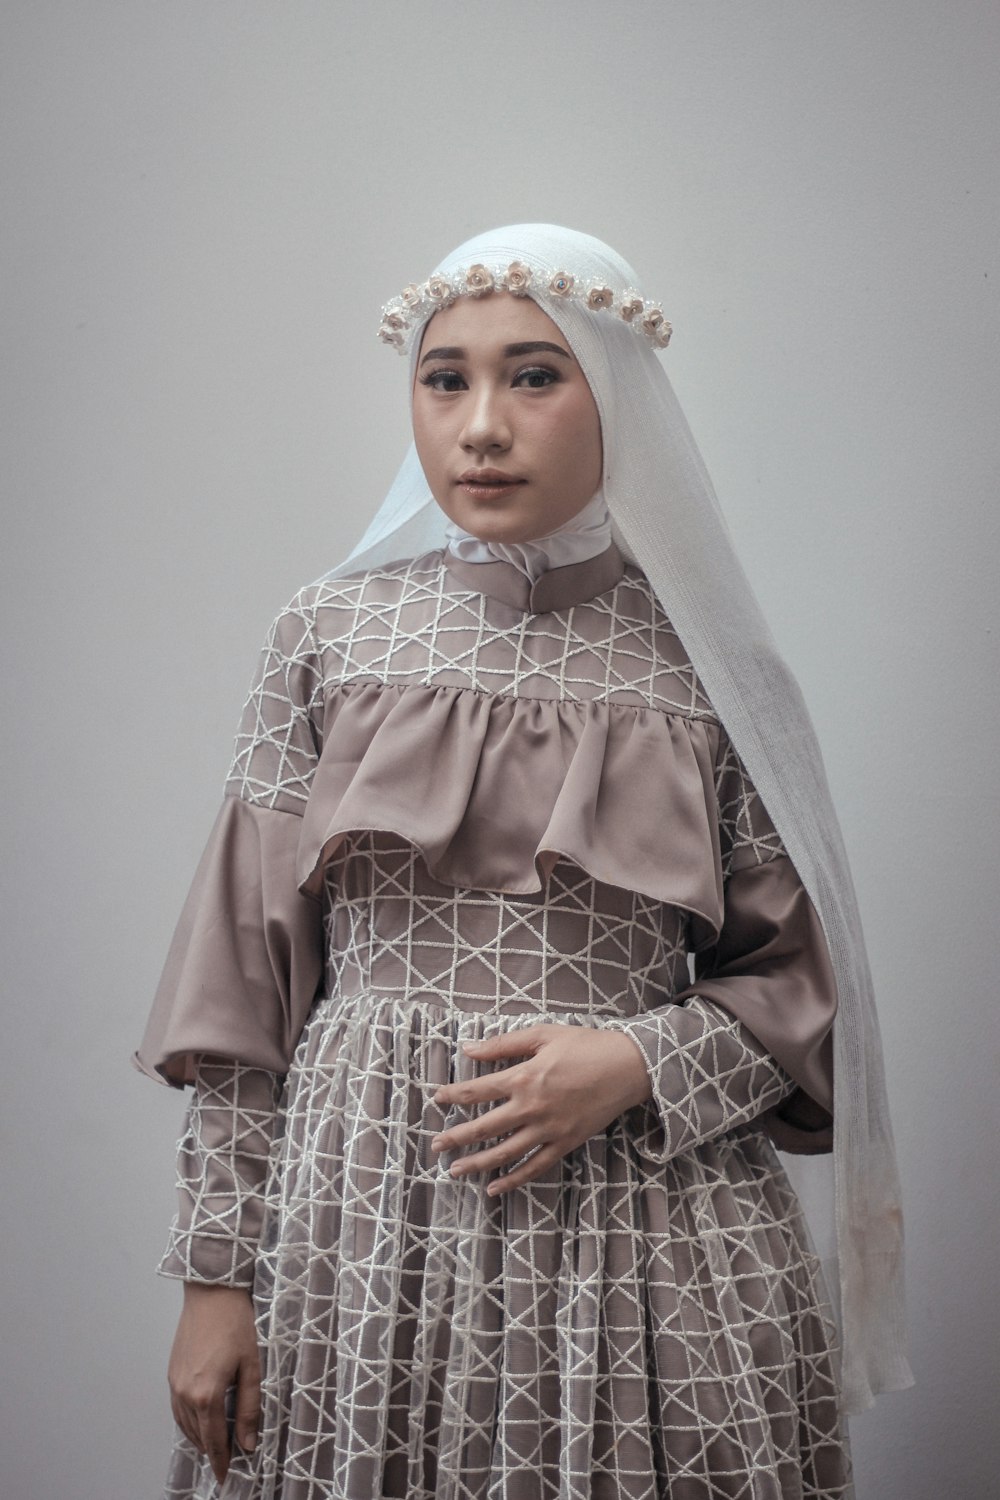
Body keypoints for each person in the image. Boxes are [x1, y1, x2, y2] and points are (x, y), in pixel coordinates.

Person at [136, 224, 911, 1500]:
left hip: (642, 1237)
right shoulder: (326, 634)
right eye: (446, 379)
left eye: (534, 376)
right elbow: (239, 1000)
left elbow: (800, 997)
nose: (481, 424)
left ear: (617, 395)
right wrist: (217, 1280)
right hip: (362, 1226)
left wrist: (635, 1059)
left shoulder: (706, 664)